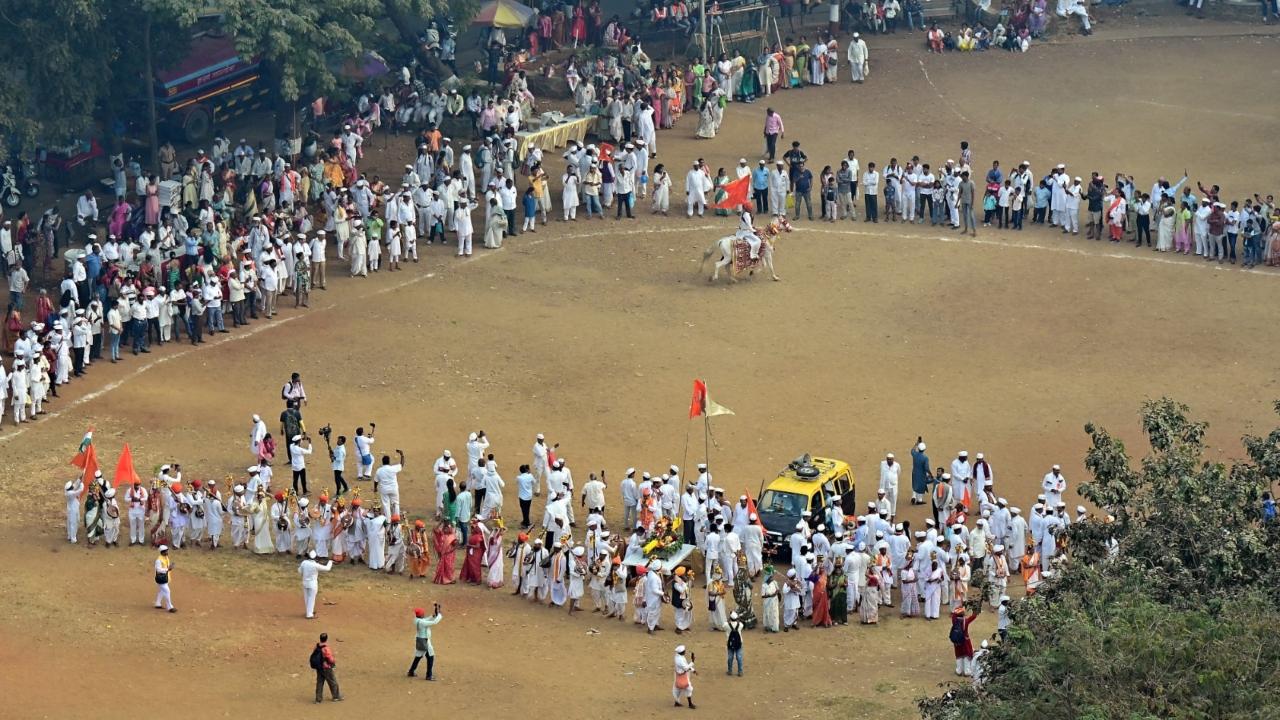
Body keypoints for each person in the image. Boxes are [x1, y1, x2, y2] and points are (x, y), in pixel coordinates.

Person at [408, 604, 443, 680]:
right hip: (425, 641)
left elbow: (425, 620)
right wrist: (439, 615)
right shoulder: (422, 623)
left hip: (419, 640)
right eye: (422, 613)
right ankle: (429, 675)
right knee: (430, 656)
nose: (423, 614)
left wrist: (432, 616)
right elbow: (434, 622)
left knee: (418, 656)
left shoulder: (416, 620)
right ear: (420, 614)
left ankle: (411, 671)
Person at [950, 604, 981, 676]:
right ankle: (967, 671)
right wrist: (975, 610)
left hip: (957, 642)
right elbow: (973, 616)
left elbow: (954, 614)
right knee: (967, 655)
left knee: (959, 654)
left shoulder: (954, 621)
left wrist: (958, 608)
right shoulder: (966, 622)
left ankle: (959, 670)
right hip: (965, 641)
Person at [311, 633, 342, 703]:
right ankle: (336, 696)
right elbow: (330, 658)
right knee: (333, 681)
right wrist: (333, 663)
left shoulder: (317, 646)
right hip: (326, 668)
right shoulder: (326, 648)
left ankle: (318, 699)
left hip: (319, 668)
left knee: (319, 683)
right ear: (326, 639)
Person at [673, 645, 696, 709]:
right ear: (681, 652)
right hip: (682, 675)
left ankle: (677, 702)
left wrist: (693, 670)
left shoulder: (678, 656)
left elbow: (686, 666)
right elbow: (686, 668)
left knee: (677, 689)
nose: (685, 651)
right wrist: (692, 661)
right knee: (689, 688)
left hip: (678, 675)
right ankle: (690, 704)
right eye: (684, 651)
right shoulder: (679, 660)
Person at [154, 545, 176, 612]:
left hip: (165, 578)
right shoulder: (158, 560)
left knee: (162, 591)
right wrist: (167, 569)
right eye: (166, 551)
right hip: (160, 579)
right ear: (162, 552)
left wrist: (170, 567)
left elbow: (166, 567)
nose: (167, 551)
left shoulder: (166, 558)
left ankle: (157, 603)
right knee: (167, 591)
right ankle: (170, 607)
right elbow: (158, 570)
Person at [726, 610, 745, 676]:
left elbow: (724, 625)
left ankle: (730, 670)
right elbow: (742, 624)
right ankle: (740, 671)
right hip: (738, 643)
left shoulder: (727, 625)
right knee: (739, 657)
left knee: (730, 657)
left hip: (730, 643)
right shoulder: (740, 625)